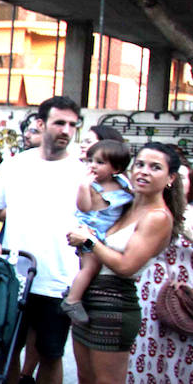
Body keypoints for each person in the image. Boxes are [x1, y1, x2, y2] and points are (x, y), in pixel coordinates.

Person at [51, 143, 180, 384]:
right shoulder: (124, 204)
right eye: (140, 163)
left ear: (169, 179)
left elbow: (126, 266)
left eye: (155, 167)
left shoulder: (157, 216)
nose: (143, 171)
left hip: (114, 301)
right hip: (90, 296)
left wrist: (88, 240)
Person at [0, 96, 86, 384]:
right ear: (41, 124)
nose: (66, 132)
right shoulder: (14, 166)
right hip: (15, 277)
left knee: (52, 355)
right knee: (8, 354)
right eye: (59, 123)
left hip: (58, 280)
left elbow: (101, 219)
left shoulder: (81, 172)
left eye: (72, 125)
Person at [127, 160, 193, 384]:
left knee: (187, 365)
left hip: (186, 297)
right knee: (143, 356)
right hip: (147, 293)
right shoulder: (146, 212)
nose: (179, 184)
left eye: (185, 178)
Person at [61, 139, 133, 326]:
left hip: (106, 237)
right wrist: (84, 187)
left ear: (115, 169)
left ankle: (75, 292)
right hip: (91, 234)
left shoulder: (122, 185)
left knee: (97, 270)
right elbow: (83, 208)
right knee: (90, 268)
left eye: (100, 162)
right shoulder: (91, 186)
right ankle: (72, 300)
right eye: (91, 160)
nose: (93, 165)